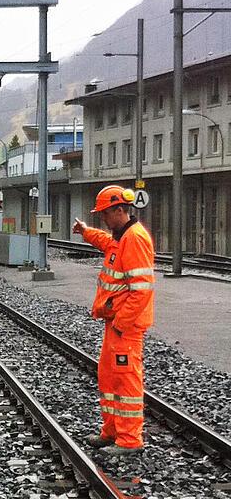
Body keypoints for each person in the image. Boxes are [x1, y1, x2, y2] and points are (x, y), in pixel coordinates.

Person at [72, 185, 155, 456]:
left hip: (126, 327)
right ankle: (112, 431)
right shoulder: (121, 236)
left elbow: (141, 290)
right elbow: (106, 242)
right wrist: (85, 232)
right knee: (109, 378)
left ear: (120, 210)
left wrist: (121, 323)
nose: (103, 220)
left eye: (105, 215)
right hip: (116, 324)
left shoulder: (135, 239)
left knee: (126, 381)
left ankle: (130, 441)